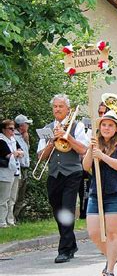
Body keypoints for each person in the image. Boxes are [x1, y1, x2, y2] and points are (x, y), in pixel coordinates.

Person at [37, 94, 88, 263]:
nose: (57, 109)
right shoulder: (47, 128)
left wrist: (67, 136)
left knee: (67, 209)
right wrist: (52, 141)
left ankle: (64, 250)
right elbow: (40, 157)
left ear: (68, 109)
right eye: (55, 107)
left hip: (72, 173)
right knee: (58, 210)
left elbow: (83, 149)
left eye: (61, 106)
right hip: (54, 174)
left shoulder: (77, 125)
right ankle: (71, 243)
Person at [83, 110, 117, 276]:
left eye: (110, 125)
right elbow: (86, 166)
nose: (106, 128)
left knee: (112, 233)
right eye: (104, 124)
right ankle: (112, 256)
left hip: (116, 193)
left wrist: (102, 156)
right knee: (94, 232)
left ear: (116, 128)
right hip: (96, 193)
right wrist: (91, 150)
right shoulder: (95, 143)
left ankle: (110, 269)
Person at [0, 120, 23, 227]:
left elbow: (21, 151)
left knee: (12, 198)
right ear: (4, 129)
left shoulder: (13, 139)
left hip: (16, 171)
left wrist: (17, 153)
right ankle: (2, 221)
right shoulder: (1, 140)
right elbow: (8, 155)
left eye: (13, 128)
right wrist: (16, 153)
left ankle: (10, 220)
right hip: (5, 173)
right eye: (10, 128)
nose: (13, 131)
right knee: (4, 198)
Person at [13, 114, 32, 221]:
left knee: (21, 195)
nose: (28, 125)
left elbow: (26, 151)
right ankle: (10, 217)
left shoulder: (24, 136)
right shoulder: (13, 137)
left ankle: (15, 216)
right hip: (18, 168)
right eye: (27, 124)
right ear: (21, 125)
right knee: (15, 194)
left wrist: (27, 140)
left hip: (25, 168)